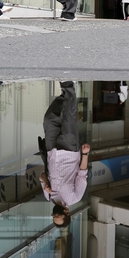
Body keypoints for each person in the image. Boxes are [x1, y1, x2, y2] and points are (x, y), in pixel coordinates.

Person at [38, 81, 90, 227]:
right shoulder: (75, 197)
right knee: (69, 118)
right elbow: (82, 174)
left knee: (49, 118)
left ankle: (65, 95)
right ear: (67, 212)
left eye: (54, 216)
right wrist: (85, 155)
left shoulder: (49, 196)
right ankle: (68, 86)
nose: (55, 214)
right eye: (58, 215)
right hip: (69, 151)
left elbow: (42, 175)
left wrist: (46, 184)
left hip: (52, 151)